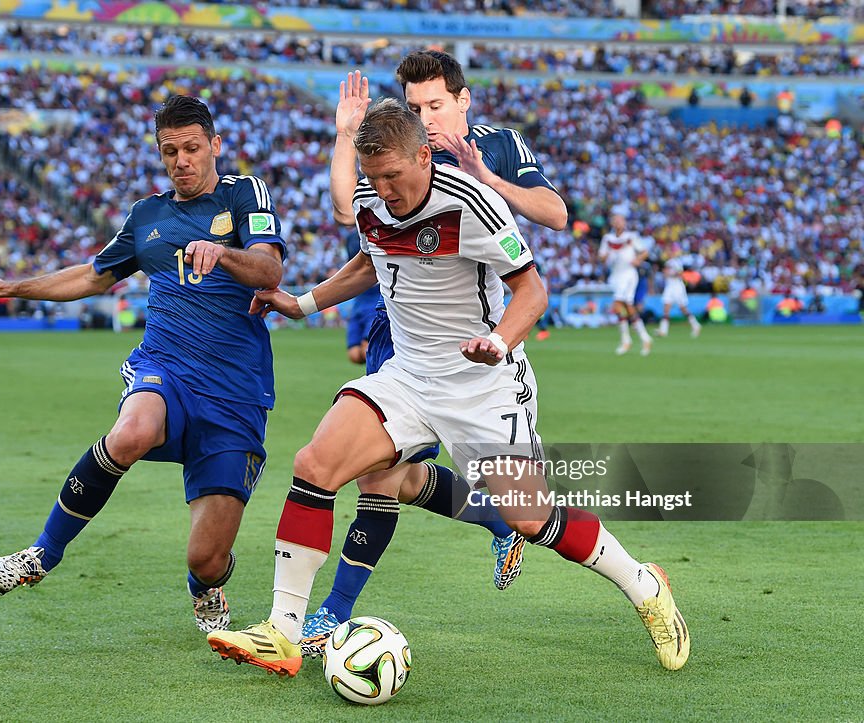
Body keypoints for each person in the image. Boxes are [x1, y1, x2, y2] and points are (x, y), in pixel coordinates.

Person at [207, 100, 689, 676]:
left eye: (393, 175)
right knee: (315, 464)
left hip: (484, 385)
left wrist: (501, 341)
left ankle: (644, 585)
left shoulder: (473, 206)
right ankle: (282, 633)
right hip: (408, 376)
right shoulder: (370, 201)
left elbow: (532, 293)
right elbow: (369, 261)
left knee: (529, 520)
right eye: (373, 177)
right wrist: (304, 302)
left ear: (424, 155)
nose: (384, 189)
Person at [0, 95, 285, 633]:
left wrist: (222, 252)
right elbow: (91, 276)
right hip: (166, 367)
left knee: (206, 558)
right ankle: (42, 554)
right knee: (133, 430)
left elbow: (269, 270)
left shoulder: (245, 194)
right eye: (170, 150)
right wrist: (6, 287)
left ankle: (206, 589)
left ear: (216, 146)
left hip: (236, 392)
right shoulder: (147, 215)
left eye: (192, 148)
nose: (181, 160)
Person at [298, 52, 569, 657]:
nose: (426, 116)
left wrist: (484, 176)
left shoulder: (494, 145)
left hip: (468, 338)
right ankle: (334, 611)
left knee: (392, 475)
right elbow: (352, 219)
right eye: (415, 106)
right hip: (397, 326)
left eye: (436, 105)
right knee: (381, 472)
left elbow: (555, 214)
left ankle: (334, 610)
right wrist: (346, 136)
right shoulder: (390, 150)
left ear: (463, 100)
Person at [598, 214, 653, 356]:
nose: (617, 223)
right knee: (627, 307)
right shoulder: (608, 239)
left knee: (617, 304)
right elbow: (602, 256)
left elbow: (644, 252)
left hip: (628, 274)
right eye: (615, 220)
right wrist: (606, 256)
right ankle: (644, 338)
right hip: (616, 274)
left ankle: (626, 339)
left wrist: (638, 260)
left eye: (620, 220)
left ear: (624, 222)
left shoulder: (631, 236)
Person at [341, 227, 380, 364]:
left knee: (368, 349)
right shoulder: (351, 237)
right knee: (355, 355)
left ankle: (381, 380)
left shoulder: (378, 229)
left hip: (377, 295)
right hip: (359, 297)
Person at [658, 255, 702, 337]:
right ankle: (663, 330)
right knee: (666, 308)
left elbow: (680, 273)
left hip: (677, 286)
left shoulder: (676, 262)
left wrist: (670, 273)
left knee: (683, 308)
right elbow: (665, 273)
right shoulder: (668, 262)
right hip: (670, 286)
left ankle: (695, 325)